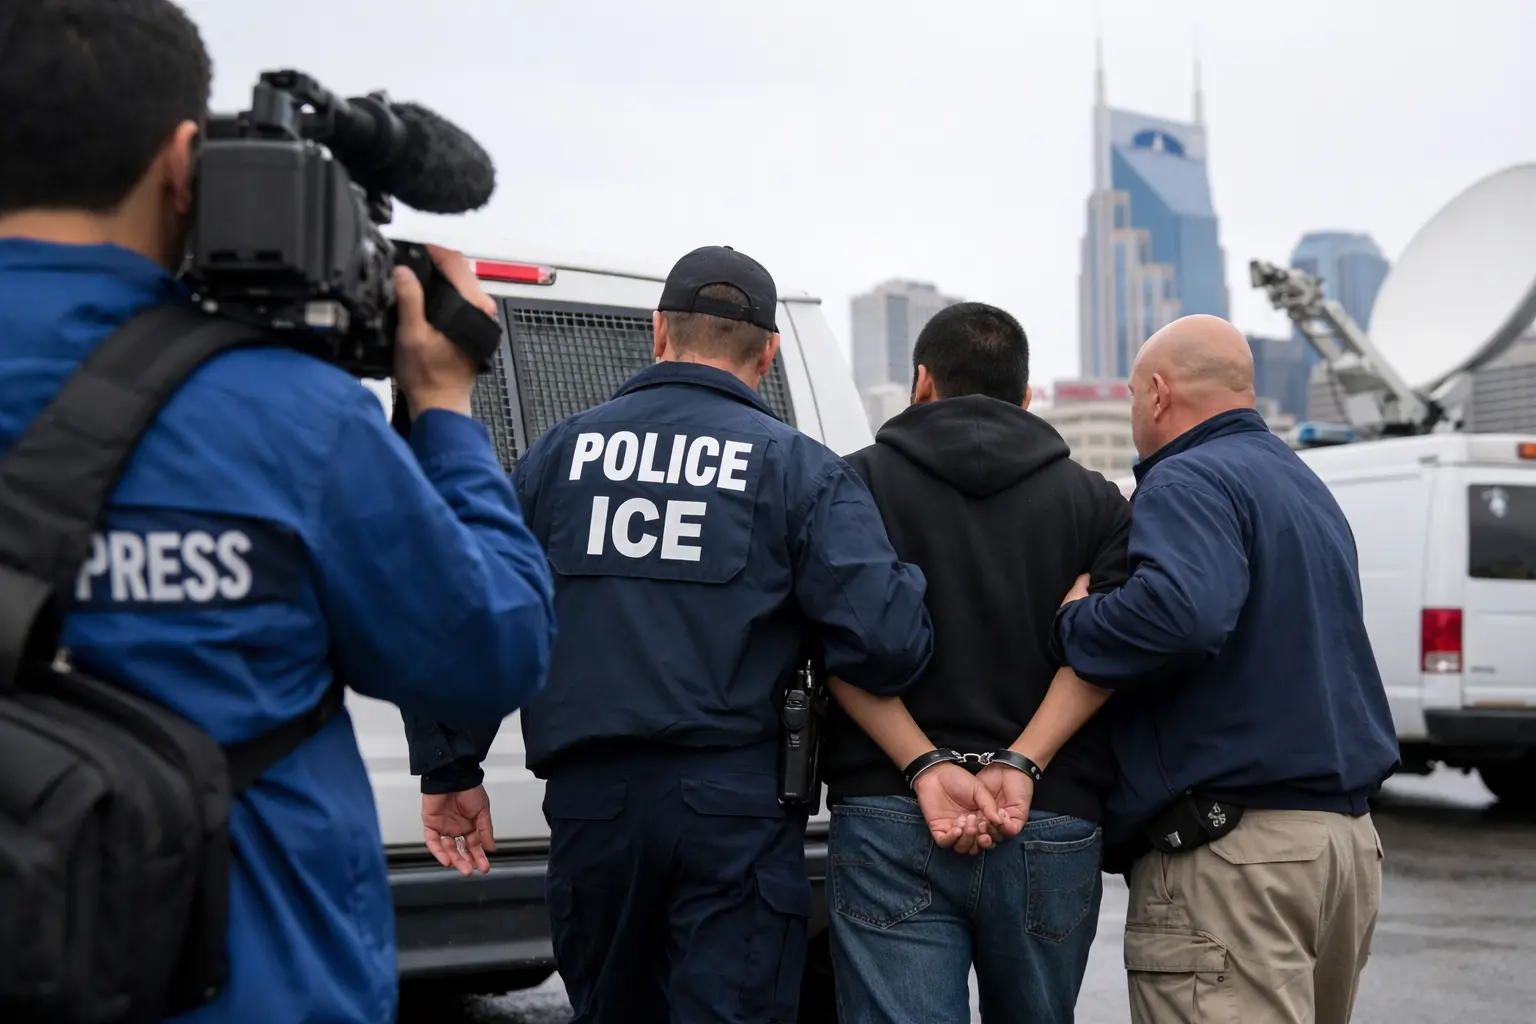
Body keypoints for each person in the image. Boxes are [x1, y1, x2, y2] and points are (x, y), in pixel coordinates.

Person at [0, 3, 557, 1022]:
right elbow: (491, 647)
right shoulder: (283, 415)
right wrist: (441, 412)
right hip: (247, 982)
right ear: (184, 160)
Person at [406, 245, 935, 1024]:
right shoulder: (797, 469)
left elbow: (469, 609)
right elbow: (888, 644)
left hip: (594, 810)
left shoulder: (558, 457)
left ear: (658, 333)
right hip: (735, 812)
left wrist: (451, 768)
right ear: (769, 353)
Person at [1053, 314, 1399, 1024]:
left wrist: (1075, 620)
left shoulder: (1188, 477)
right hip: (1342, 846)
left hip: (1235, 856)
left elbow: (1183, 615)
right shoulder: (1305, 488)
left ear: (1156, 394)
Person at [818, 302, 1132, 1023]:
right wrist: (1020, 762)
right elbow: (1106, 655)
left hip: (892, 811)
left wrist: (926, 764)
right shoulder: (1099, 502)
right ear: (1027, 396)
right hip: (1048, 815)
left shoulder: (852, 485)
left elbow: (831, 641)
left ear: (922, 381)